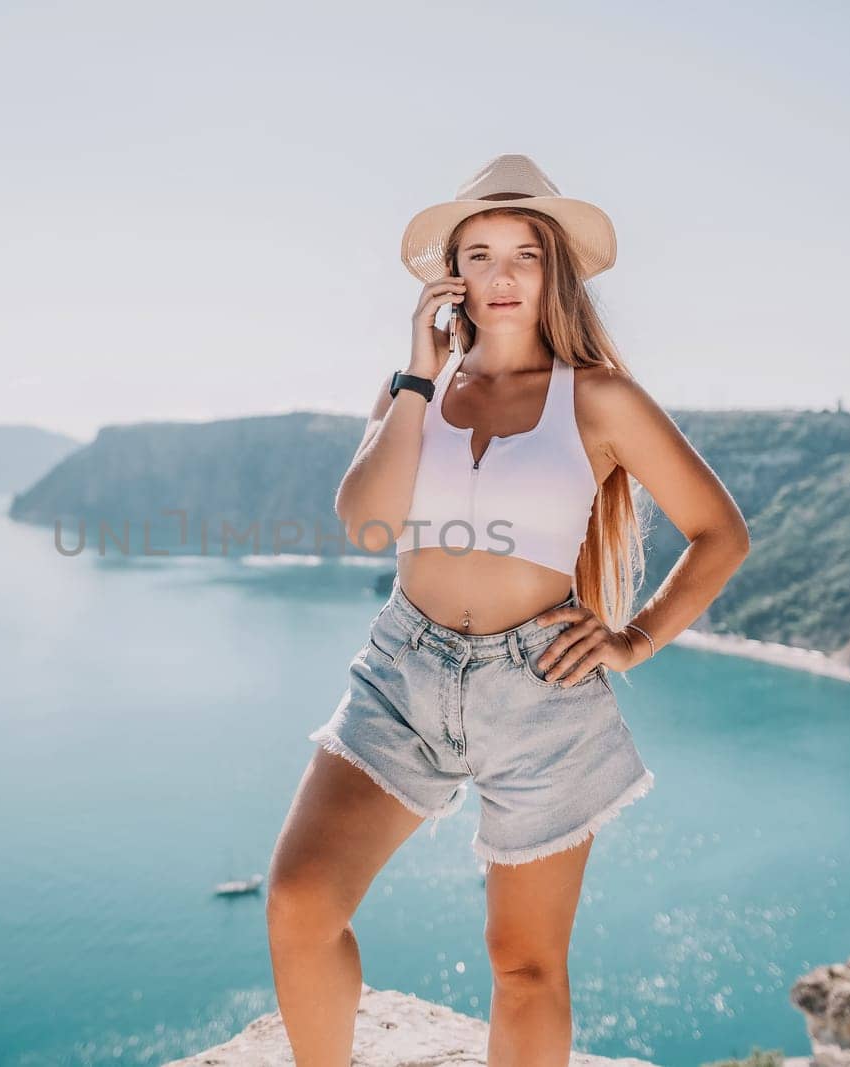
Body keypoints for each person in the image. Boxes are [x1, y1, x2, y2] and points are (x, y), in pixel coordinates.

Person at [265, 154, 752, 1066]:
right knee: (299, 902)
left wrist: (636, 637)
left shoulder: (598, 396)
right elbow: (366, 521)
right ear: (451, 274)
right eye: (479, 253)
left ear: (552, 270)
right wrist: (418, 371)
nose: (500, 276)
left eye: (523, 254)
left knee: (525, 965)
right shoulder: (417, 392)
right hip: (402, 672)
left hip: (541, 690)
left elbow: (720, 532)